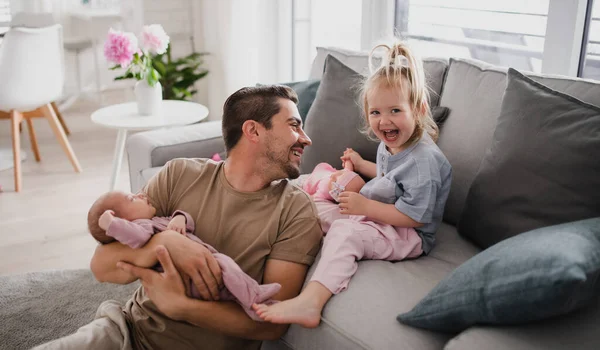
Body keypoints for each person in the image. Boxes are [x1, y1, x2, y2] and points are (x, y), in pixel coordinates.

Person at [35, 85, 322, 350]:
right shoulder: (180, 174)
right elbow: (101, 267)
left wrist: (181, 307)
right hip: (129, 332)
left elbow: (272, 323)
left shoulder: (296, 210)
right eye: (294, 125)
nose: (305, 139)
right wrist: (166, 242)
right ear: (253, 131)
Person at [253, 41, 452, 328]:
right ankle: (259, 231)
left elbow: (416, 218)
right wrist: (361, 165)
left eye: (395, 110)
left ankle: (312, 301)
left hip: (409, 235)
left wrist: (366, 207)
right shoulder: (392, 142)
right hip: (381, 212)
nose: (384, 121)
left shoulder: (425, 163)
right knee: (313, 207)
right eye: (376, 113)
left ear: (419, 110)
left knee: (347, 232)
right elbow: (390, 177)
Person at [86, 190, 282, 321]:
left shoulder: (156, 220)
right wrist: (112, 225)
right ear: (122, 220)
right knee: (226, 266)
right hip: (185, 279)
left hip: (195, 279)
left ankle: (252, 305)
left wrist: (180, 218)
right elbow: (136, 237)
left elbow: (186, 221)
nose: (141, 193)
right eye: (132, 199)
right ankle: (254, 297)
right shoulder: (142, 226)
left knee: (229, 285)